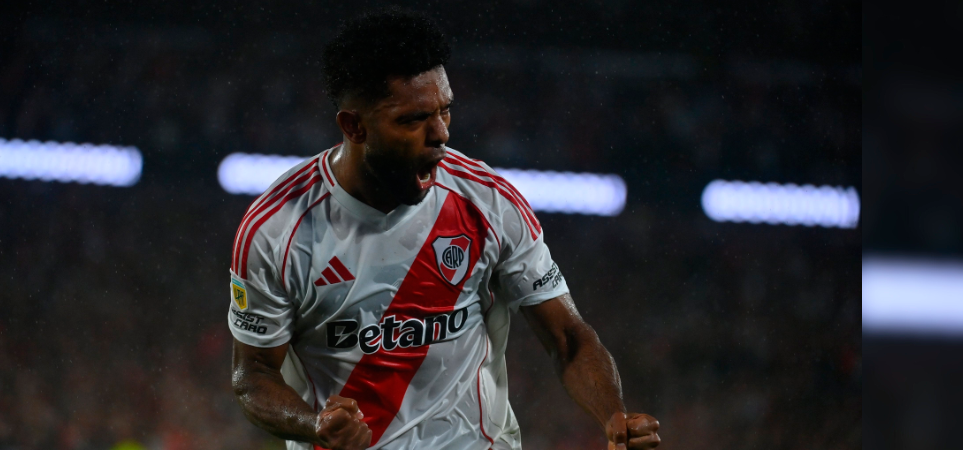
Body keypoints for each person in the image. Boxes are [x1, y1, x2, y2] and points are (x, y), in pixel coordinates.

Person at [227, 8, 660, 450]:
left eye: (445, 111)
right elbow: (253, 375)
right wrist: (314, 424)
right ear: (354, 126)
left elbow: (568, 337)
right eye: (412, 119)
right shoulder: (277, 229)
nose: (440, 134)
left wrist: (614, 415)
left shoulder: (488, 201)